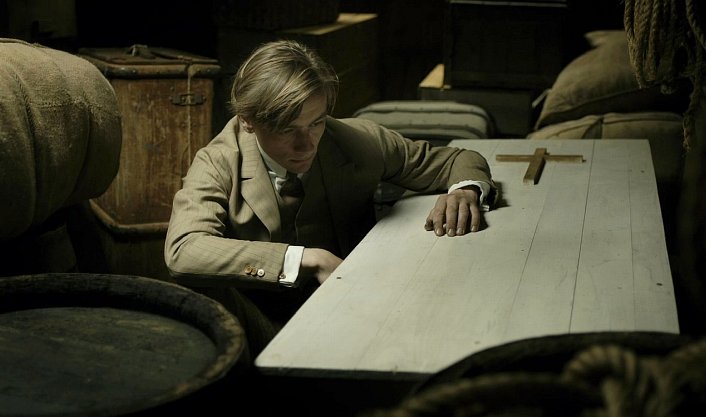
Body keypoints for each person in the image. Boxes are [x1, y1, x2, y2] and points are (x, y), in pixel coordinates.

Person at [164, 40, 497, 355]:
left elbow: (457, 159)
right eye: (286, 128)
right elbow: (183, 250)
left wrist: (464, 190)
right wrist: (304, 259)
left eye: (316, 123)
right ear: (247, 121)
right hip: (267, 326)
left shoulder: (354, 139)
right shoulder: (218, 161)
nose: (306, 144)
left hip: (359, 308)